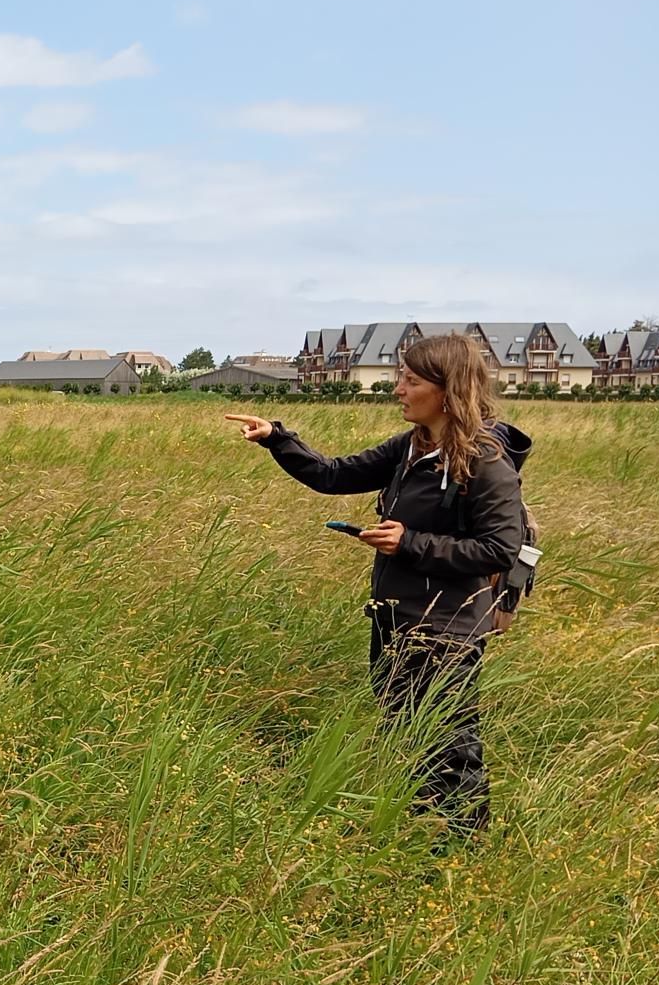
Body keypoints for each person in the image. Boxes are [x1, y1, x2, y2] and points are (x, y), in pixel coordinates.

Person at [227, 331, 530, 834]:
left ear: (446, 388)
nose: (398, 389)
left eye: (410, 380)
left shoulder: (486, 462)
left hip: (446, 628)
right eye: (400, 378)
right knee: (404, 735)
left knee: (450, 743)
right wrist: (277, 438)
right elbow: (334, 475)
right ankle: (422, 834)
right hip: (395, 617)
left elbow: (500, 548)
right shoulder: (412, 447)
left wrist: (409, 542)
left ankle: (464, 849)